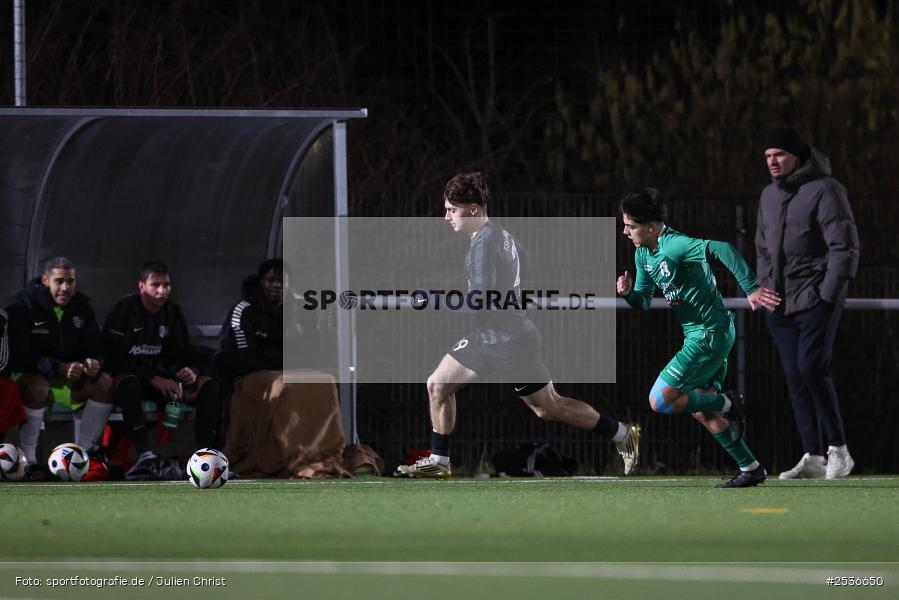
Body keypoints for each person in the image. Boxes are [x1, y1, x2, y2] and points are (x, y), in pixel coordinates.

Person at [398, 172, 640, 478]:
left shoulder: (483, 245)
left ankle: (622, 434)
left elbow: (479, 299)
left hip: (509, 342)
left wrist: (436, 301)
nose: (446, 216)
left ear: (473, 209)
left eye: (451, 209)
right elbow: (522, 261)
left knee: (548, 407)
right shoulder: (499, 234)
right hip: (488, 336)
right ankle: (440, 462)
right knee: (437, 385)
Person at [617, 190, 781, 488]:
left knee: (660, 400)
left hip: (708, 333)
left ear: (652, 226)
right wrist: (629, 293)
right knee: (700, 409)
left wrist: (751, 287)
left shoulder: (675, 245)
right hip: (702, 333)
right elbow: (642, 302)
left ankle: (730, 402)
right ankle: (751, 467)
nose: (625, 231)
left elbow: (723, 248)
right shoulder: (643, 254)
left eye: (630, 226)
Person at [755, 128, 860, 480]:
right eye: (768, 155)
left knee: (812, 367)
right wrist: (765, 289)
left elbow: (843, 246)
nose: (772, 161)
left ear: (797, 156)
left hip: (816, 298)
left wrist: (828, 294)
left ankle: (839, 451)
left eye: (779, 154)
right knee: (796, 377)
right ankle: (813, 455)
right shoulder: (768, 195)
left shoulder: (827, 189)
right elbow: (762, 248)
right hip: (780, 305)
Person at [103, 261, 220, 480]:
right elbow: (113, 357)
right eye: (155, 285)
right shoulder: (125, 309)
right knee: (128, 383)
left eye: (166, 285)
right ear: (141, 286)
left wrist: (189, 370)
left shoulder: (172, 312)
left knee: (209, 386)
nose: (162, 291)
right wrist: (153, 378)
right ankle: (145, 457)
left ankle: (205, 458)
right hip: (134, 380)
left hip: (166, 383)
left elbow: (183, 352)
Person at [5, 257, 114, 480]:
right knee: (37, 386)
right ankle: (29, 462)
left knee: (104, 383)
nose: (65, 287)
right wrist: (58, 367)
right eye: (59, 281)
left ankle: (83, 457)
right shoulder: (22, 305)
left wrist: (93, 363)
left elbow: (96, 347)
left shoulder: (82, 306)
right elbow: (20, 357)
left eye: (70, 281)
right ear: (46, 280)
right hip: (31, 377)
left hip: (68, 379)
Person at [218, 258, 318, 379]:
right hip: (251, 376)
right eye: (270, 281)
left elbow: (313, 348)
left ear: (289, 283)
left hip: (294, 372)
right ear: (261, 282)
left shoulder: (302, 307)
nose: (277, 285)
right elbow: (242, 356)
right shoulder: (243, 311)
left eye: (282, 281)